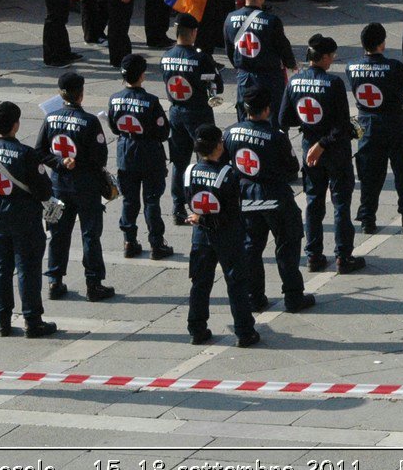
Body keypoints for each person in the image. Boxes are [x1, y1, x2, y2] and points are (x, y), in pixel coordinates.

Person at [0, 101, 60, 338]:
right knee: (27, 269)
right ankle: (33, 321)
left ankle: (2, 320)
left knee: (1, 268)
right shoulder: (26, 155)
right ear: (16, 125)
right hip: (24, 220)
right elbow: (44, 192)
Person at [225, 83, 314, 313]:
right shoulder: (276, 136)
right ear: (267, 109)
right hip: (275, 197)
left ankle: (254, 297)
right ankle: (293, 297)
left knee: (251, 248)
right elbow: (291, 167)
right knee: (287, 244)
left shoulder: (230, 132)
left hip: (245, 197)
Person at [279, 33, 363, 274]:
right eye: (331, 55)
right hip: (335, 150)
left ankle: (314, 255)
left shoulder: (294, 82)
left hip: (309, 148)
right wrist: (324, 142)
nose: (333, 59)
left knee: (314, 202)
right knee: (341, 203)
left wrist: (310, 131)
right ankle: (343, 256)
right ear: (324, 57)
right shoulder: (333, 83)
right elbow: (341, 126)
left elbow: (284, 119)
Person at [37, 70, 115, 302]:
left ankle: (54, 281)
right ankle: (93, 283)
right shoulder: (89, 121)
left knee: (57, 233)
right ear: (81, 94)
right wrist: (78, 163)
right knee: (90, 234)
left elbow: (39, 152)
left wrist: (60, 162)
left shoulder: (50, 118)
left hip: (57, 186)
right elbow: (99, 158)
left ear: (61, 95)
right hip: (86, 188)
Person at [347, 22, 403, 234]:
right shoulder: (394, 66)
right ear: (382, 44)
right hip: (393, 123)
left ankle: (367, 219)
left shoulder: (351, 67)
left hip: (366, 124)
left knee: (369, 174)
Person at [185, 122, 260, 346]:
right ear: (218, 146)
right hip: (227, 236)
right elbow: (231, 211)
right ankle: (245, 332)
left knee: (200, 282)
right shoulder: (228, 174)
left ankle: (196, 329)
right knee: (236, 283)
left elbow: (188, 201)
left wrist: (201, 218)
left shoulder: (189, 171)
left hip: (200, 235)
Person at [108, 54, 175, 261]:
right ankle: (156, 243)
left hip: (125, 153)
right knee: (151, 200)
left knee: (129, 200)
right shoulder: (151, 101)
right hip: (149, 154)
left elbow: (113, 126)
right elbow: (164, 132)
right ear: (142, 75)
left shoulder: (114, 98)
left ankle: (129, 241)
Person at [162, 12, 224, 224]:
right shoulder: (200, 58)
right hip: (198, 113)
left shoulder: (166, 56)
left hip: (176, 112)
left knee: (179, 163)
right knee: (205, 161)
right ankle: (203, 205)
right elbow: (217, 86)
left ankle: (178, 208)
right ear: (194, 32)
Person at [225, 0, 295, 123]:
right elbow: (283, 47)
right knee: (274, 118)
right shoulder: (271, 21)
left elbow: (230, 51)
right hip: (269, 77)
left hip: (244, 77)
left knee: (245, 117)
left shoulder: (230, 18)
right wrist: (291, 64)